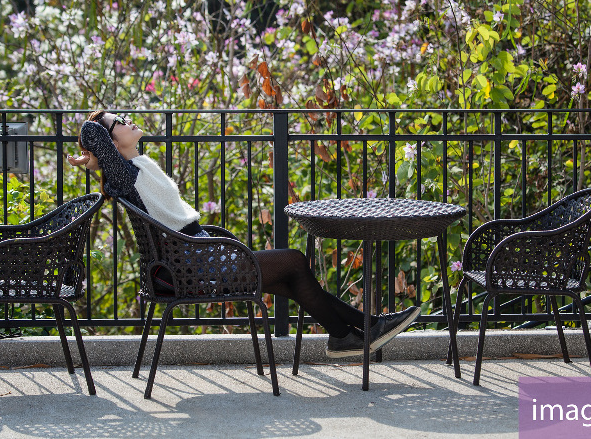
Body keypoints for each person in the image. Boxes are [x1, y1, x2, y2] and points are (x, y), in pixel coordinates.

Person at [68, 110, 420, 357]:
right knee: (295, 260)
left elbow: (107, 156)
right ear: (110, 140)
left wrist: (98, 157)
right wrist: (96, 144)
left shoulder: (136, 167)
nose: (129, 122)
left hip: (196, 254)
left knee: (291, 281)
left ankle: (349, 334)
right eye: (120, 123)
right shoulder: (126, 173)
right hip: (193, 265)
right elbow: (92, 132)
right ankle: (361, 330)